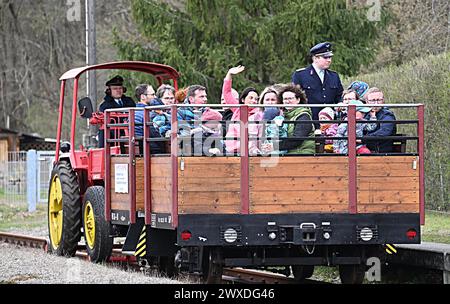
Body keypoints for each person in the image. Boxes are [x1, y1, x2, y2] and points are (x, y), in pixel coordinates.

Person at [291, 42, 343, 123]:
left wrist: (340, 103)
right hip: (309, 120)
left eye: (330, 57)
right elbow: (296, 98)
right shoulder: (300, 75)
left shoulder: (334, 76)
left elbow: (339, 95)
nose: (329, 60)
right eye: (325, 57)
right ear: (315, 58)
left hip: (331, 122)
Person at [261, 84, 315, 154]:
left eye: (290, 98)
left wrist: (274, 146)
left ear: (298, 100)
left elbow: (297, 140)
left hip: (302, 153)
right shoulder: (286, 116)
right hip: (290, 153)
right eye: (285, 99)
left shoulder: (303, 115)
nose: (287, 101)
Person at [222, 66, 260, 155]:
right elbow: (227, 93)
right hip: (232, 149)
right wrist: (229, 74)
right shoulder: (237, 109)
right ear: (243, 99)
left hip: (249, 150)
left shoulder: (258, 113)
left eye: (256, 99)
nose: (254, 101)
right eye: (251, 98)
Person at [97, 75, 136, 148]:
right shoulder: (104, 106)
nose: (118, 90)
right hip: (113, 139)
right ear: (109, 91)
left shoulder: (129, 101)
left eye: (120, 88)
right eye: (115, 89)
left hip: (131, 133)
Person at [363, 87, 397, 153]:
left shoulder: (388, 115)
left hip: (381, 153)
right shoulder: (365, 114)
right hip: (363, 151)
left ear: (383, 100)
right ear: (367, 102)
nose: (376, 103)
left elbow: (384, 132)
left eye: (378, 100)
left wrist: (363, 139)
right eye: (372, 100)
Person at [133, 84, 164, 154]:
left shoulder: (133, 112)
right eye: (152, 94)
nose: (155, 97)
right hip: (150, 149)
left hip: (138, 148)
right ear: (143, 97)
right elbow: (155, 134)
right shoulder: (148, 114)